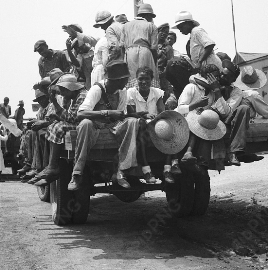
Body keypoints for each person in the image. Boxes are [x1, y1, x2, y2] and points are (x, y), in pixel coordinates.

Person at [68, 60, 146, 190]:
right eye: (125, 79)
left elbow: (119, 117)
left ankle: (121, 171)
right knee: (85, 124)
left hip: (112, 128)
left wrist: (135, 115)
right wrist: (107, 112)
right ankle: (77, 173)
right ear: (118, 80)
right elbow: (80, 114)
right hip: (95, 129)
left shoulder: (122, 92)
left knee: (133, 122)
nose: (127, 82)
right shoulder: (97, 89)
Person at [32, 74, 89, 186]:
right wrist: (57, 116)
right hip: (78, 123)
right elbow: (70, 116)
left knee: (58, 127)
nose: (61, 93)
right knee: (54, 125)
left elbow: (72, 118)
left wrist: (55, 104)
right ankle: (51, 166)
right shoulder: (75, 96)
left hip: (84, 126)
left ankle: (53, 166)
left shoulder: (82, 96)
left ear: (70, 88)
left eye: (63, 89)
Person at [127, 67, 180, 183]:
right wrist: (144, 116)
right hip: (139, 126)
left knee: (168, 127)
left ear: (151, 80)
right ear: (136, 79)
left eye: (147, 79)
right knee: (140, 127)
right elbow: (131, 113)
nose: (144, 82)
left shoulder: (156, 92)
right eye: (141, 79)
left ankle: (167, 169)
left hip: (155, 125)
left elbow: (162, 112)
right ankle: (146, 170)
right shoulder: (131, 93)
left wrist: (156, 118)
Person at [176, 65, 229, 171]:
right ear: (206, 76)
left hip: (200, 122)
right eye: (214, 77)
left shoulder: (212, 93)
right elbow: (180, 109)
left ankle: (207, 160)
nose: (217, 79)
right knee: (197, 121)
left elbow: (224, 112)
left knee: (209, 121)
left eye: (218, 77)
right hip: (183, 120)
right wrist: (196, 105)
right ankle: (189, 152)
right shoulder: (191, 87)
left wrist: (217, 91)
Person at [17, 87, 54, 181]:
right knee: (27, 133)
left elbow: (50, 120)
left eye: (42, 99)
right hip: (44, 128)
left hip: (50, 129)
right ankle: (29, 162)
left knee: (37, 133)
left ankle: (38, 166)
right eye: (38, 100)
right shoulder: (41, 109)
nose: (40, 101)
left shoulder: (51, 106)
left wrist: (38, 122)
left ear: (47, 97)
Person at [119, 3, 159, 88]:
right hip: (145, 52)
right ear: (148, 16)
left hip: (129, 53)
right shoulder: (151, 26)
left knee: (132, 79)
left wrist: (123, 62)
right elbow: (154, 48)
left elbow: (121, 47)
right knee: (147, 78)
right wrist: (154, 65)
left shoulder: (125, 26)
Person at [62, 24, 97, 89]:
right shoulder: (79, 55)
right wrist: (69, 51)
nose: (78, 49)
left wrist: (75, 34)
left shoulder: (93, 46)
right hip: (90, 84)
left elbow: (87, 39)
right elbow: (77, 64)